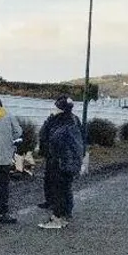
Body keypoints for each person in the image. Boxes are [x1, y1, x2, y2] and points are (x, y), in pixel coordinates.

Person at [38, 96, 85, 230]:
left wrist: (49, 121)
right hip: (67, 160)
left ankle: (57, 218)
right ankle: (64, 214)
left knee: (58, 189)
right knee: (64, 188)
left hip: (60, 161)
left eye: (56, 107)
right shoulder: (72, 120)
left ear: (60, 109)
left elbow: (48, 137)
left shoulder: (63, 123)